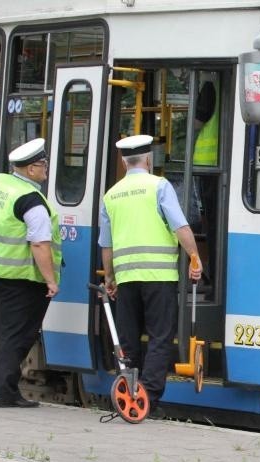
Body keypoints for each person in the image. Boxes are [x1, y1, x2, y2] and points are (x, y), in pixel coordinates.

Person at [98, 134, 203, 420]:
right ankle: (149, 399)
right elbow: (180, 226)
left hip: (127, 277)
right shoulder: (159, 186)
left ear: (123, 161)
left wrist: (110, 278)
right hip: (159, 277)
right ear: (148, 159)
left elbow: (105, 245)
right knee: (159, 337)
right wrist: (195, 258)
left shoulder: (111, 195)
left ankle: (129, 395)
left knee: (128, 340)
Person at [0, 138, 61, 408]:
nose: (45, 169)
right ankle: (6, 393)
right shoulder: (31, 200)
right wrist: (50, 279)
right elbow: (40, 243)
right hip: (18, 277)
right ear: (30, 169)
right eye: (43, 165)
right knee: (14, 335)